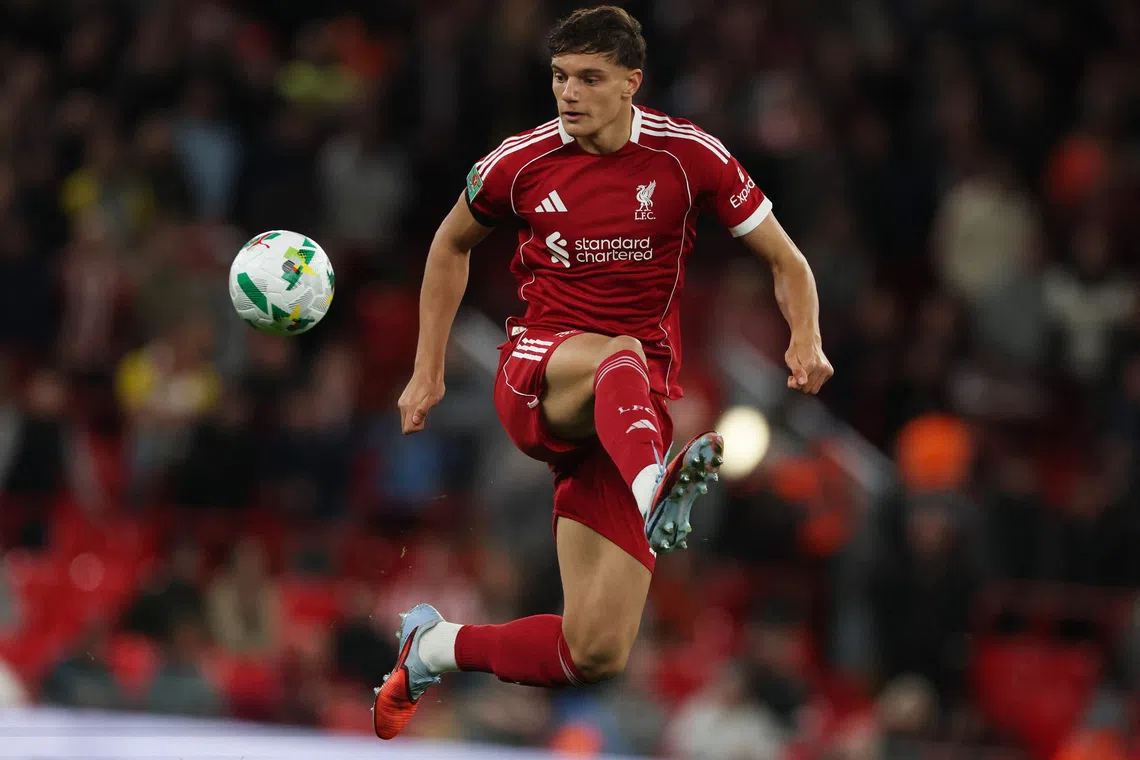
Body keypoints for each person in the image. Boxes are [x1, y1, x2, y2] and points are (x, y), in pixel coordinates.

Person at [374, 5, 832, 740]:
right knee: (619, 354)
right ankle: (658, 489)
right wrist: (426, 371)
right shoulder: (519, 161)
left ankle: (432, 649)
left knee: (593, 651)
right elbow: (448, 245)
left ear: (631, 84)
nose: (569, 94)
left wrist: (805, 339)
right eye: (560, 77)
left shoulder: (690, 157)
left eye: (589, 78)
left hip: (627, 420)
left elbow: (786, 260)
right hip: (542, 371)